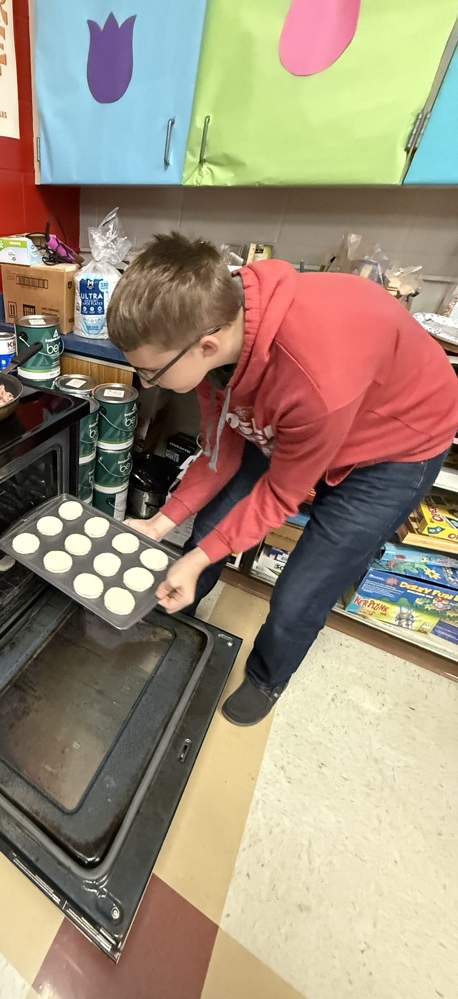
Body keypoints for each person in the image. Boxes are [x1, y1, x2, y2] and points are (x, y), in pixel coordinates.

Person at [106, 233, 458, 727]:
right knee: (210, 530)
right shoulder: (216, 327)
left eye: (148, 372)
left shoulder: (313, 381)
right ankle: (178, 607)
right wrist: (161, 524)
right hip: (314, 410)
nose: (145, 381)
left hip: (396, 440)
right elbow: (221, 450)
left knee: (301, 590)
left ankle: (267, 676)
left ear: (206, 345)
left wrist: (199, 556)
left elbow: (280, 493)